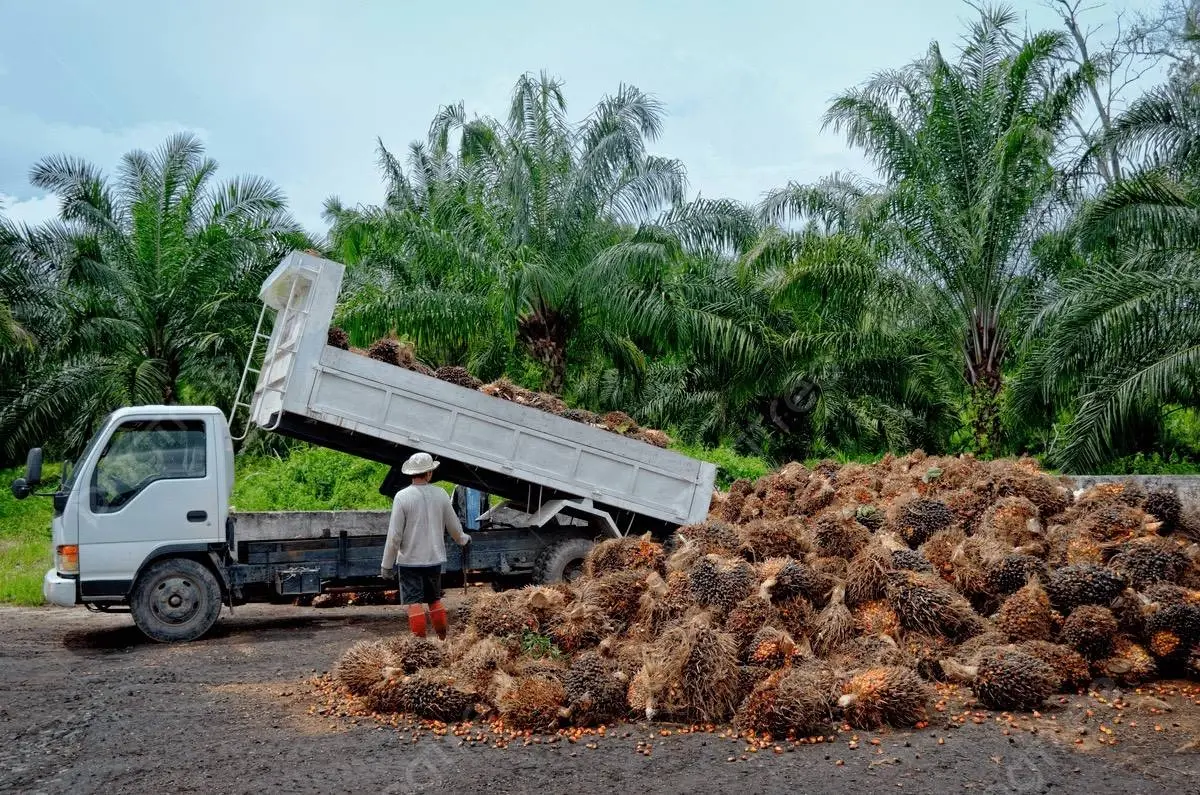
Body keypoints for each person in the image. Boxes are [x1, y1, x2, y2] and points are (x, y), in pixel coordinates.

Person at [380, 452, 471, 639]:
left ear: (411, 473)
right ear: (429, 473)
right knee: (434, 600)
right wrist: (463, 539)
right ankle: (443, 639)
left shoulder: (402, 497)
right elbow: (453, 526)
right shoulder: (441, 494)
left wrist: (386, 565)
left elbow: (395, 535)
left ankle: (420, 645)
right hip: (434, 559)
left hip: (410, 561)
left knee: (414, 603)